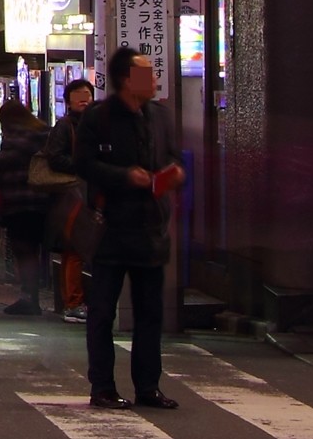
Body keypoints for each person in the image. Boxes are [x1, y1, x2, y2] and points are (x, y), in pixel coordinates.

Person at [74, 47, 181, 411]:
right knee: (102, 311)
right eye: (146, 74)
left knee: (150, 313)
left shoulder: (160, 117)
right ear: (125, 79)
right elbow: (83, 164)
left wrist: (173, 175)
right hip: (110, 230)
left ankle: (148, 386)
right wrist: (124, 176)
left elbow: (175, 159)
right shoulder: (98, 118)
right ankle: (102, 386)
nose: (153, 79)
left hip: (151, 228)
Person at [38, 78, 95, 320]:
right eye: (78, 94)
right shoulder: (64, 126)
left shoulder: (96, 123)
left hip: (91, 192)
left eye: (87, 93)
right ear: (68, 100)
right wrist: (84, 166)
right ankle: (73, 302)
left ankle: (81, 301)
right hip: (72, 194)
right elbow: (55, 157)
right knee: (74, 248)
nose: (84, 97)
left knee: (87, 248)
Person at [0, 97, 50, 315]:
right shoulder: (44, 133)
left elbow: (6, 161)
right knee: (33, 249)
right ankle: (31, 295)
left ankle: (29, 297)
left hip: (19, 202)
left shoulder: (17, 138)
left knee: (24, 250)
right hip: (43, 201)